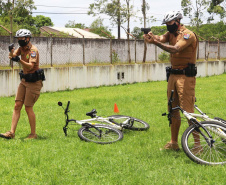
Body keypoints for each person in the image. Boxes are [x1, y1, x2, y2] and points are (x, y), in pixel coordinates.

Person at [143, 11, 198, 151]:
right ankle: (174, 143)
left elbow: (175, 49)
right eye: (166, 24)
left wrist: (154, 42)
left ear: (178, 21)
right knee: (173, 110)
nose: (168, 26)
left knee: (188, 112)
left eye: (170, 23)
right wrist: (151, 36)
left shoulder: (188, 35)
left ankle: (198, 145)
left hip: (185, 77)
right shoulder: (171, 34)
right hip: (173, 76)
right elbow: (160, 38)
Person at [0, 29, 45, 139]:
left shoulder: (33, 50)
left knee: (28, 107)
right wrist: (11, 51)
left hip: (34, 82)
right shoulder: (21, 48)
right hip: (24, 81)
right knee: (17, 105)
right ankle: (11, 133)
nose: (19, 40)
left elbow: (30, 66)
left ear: (27, 38)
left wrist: (19, 60)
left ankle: (33, 134)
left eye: (21, 38)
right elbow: (12, 57)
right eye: (18, 39)